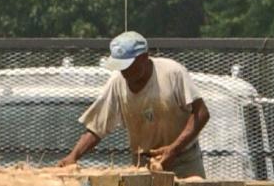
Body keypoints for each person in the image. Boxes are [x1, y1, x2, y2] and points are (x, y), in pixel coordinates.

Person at [59, 31, 209, 176]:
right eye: (120, 67)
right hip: (144, 167)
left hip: (183, 161)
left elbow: (201, 113)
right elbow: (96, 128)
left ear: (144, 57)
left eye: (128, 65)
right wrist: (73, 156)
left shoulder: (172, 73)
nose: (124, 72)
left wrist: (173, 150)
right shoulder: (117, 83)